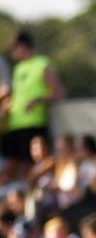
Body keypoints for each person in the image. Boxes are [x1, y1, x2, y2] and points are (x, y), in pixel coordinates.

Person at [0, 31, 65, 182]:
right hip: (14, 125)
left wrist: (39, 100)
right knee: (10, 167)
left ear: (22, 46)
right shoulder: (18, 68)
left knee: (33, 166)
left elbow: (58, 93)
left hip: (33, 124)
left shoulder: (42, 64)